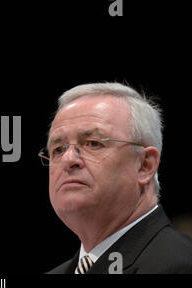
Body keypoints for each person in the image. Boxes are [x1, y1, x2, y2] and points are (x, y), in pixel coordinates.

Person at [42, 82, 192, 274]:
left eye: (93, 143)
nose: (68, 159)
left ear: (145, 165)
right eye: (58, 149)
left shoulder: (180, 266)